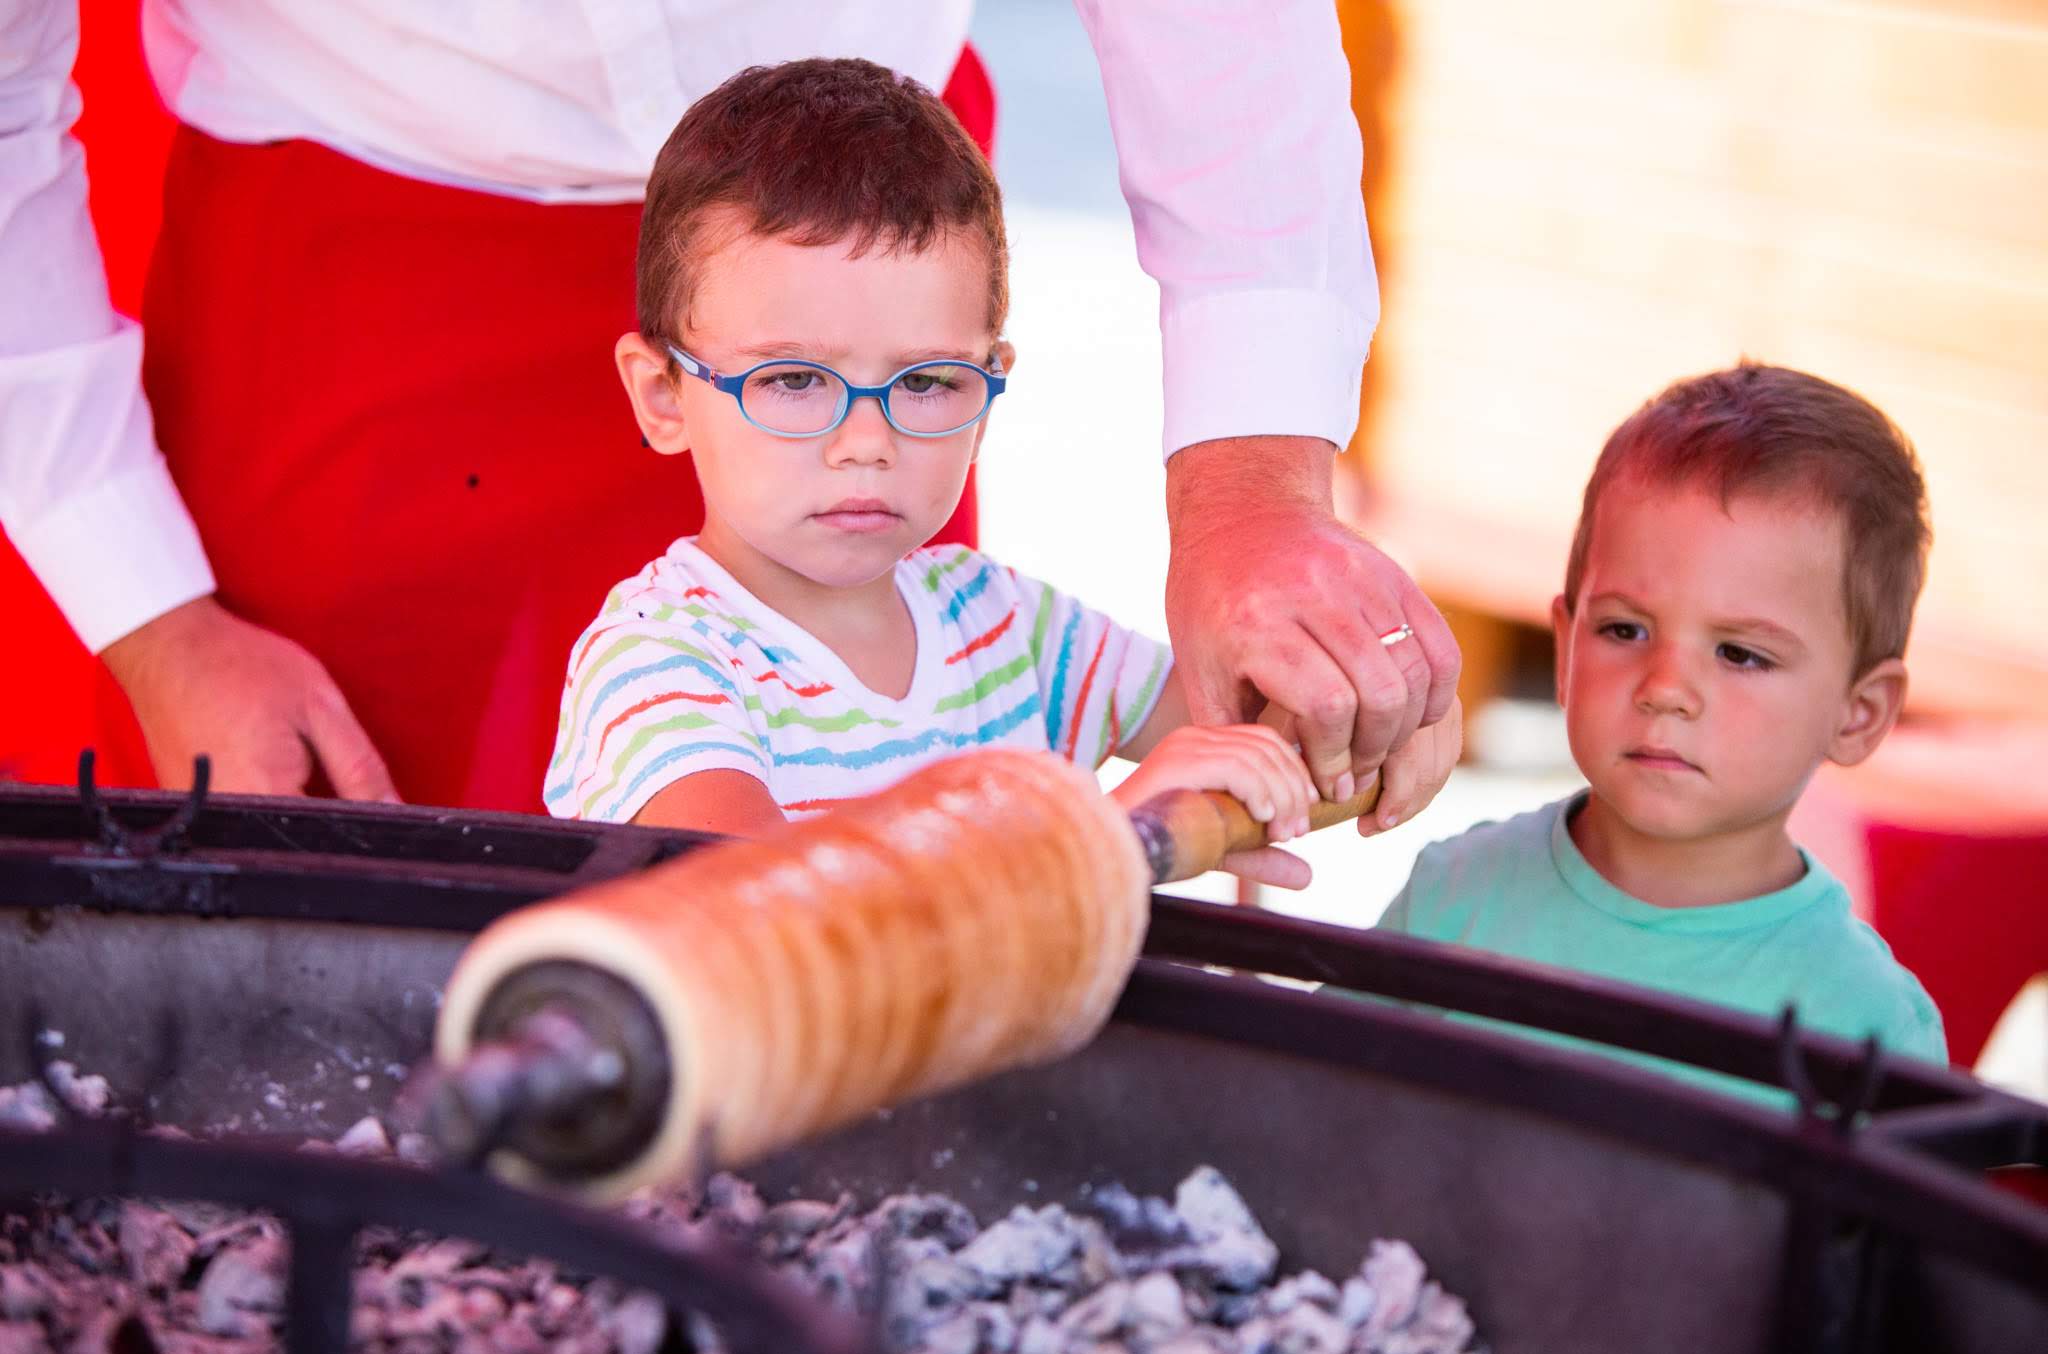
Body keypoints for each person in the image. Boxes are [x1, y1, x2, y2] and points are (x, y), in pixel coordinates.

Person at [0, 1, 1457, 814]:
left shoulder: (979, 600)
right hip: (344, 283)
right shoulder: (659, 677)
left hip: (867, 251)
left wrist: (1258, 519)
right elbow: (741, 902)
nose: (877, 447)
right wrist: (153, 615)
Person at [546, 59, 1463, 891]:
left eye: (929, 381)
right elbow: (773, 919)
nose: (865, 441)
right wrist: (1104, 839)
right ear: (663, 395)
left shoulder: (1009, 627)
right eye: (792, 379)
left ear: (988, 390)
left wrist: (1379, 713)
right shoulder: (658, 667)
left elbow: (1250, 729)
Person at [1375, 363, 1945, 1093]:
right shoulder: (1454, 900)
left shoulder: (1869, 1027)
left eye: (1740, 652)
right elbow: (1295, 1134)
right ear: (1566, 643)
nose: (1666, 688)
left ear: (1857, 714)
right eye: (1624, 628)